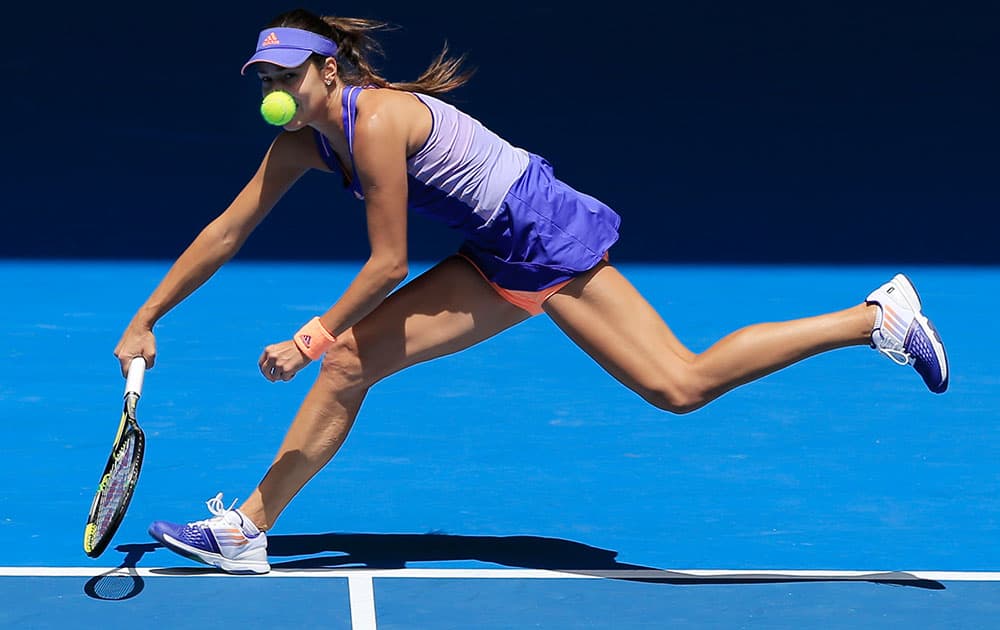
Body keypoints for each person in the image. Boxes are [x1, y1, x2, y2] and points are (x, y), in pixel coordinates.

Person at [114, 8, 949, 574]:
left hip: (540, 232)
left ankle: (874, 318)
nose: (275, 90)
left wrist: (307, 335)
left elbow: (387, 265)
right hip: (493, 246)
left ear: (328, 71)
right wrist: (147, 316)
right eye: (266, 78)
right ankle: (246, 531)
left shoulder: (378, 124)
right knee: (348, 366)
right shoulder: (305, 142)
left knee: (679, 384)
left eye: (288, 75)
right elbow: (227, 229)